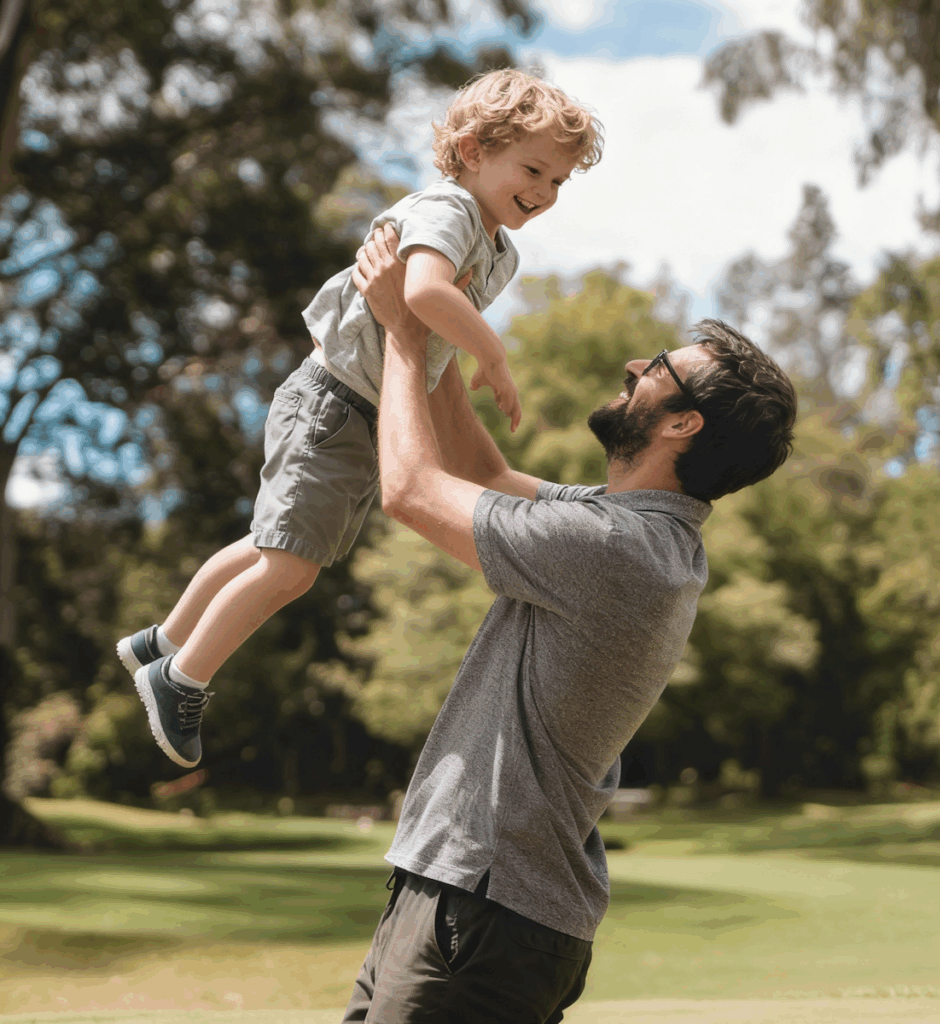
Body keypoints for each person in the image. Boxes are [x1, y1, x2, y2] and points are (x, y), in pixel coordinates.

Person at [339, 224, 798, 1023]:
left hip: (484, 910)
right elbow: (482, 474)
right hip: (469, 897)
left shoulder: (619, 549)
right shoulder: (628, 526)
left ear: (682, 424)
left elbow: (412, 489)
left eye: (657, 371)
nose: (634, 367)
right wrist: (444, 332)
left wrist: (406, 337)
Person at [117, 70, 603, 768]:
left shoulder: (500, 247)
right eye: (532, 169)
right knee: (292, 564)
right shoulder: (451, 211)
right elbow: (424, 293)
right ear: (470, 150)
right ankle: (180, 677)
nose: (545, 192)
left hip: (356, 410)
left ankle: (161, 641)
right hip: (332, 401)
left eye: (559, 181)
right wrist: (492, 355)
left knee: (271, 541)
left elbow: (429, 337)